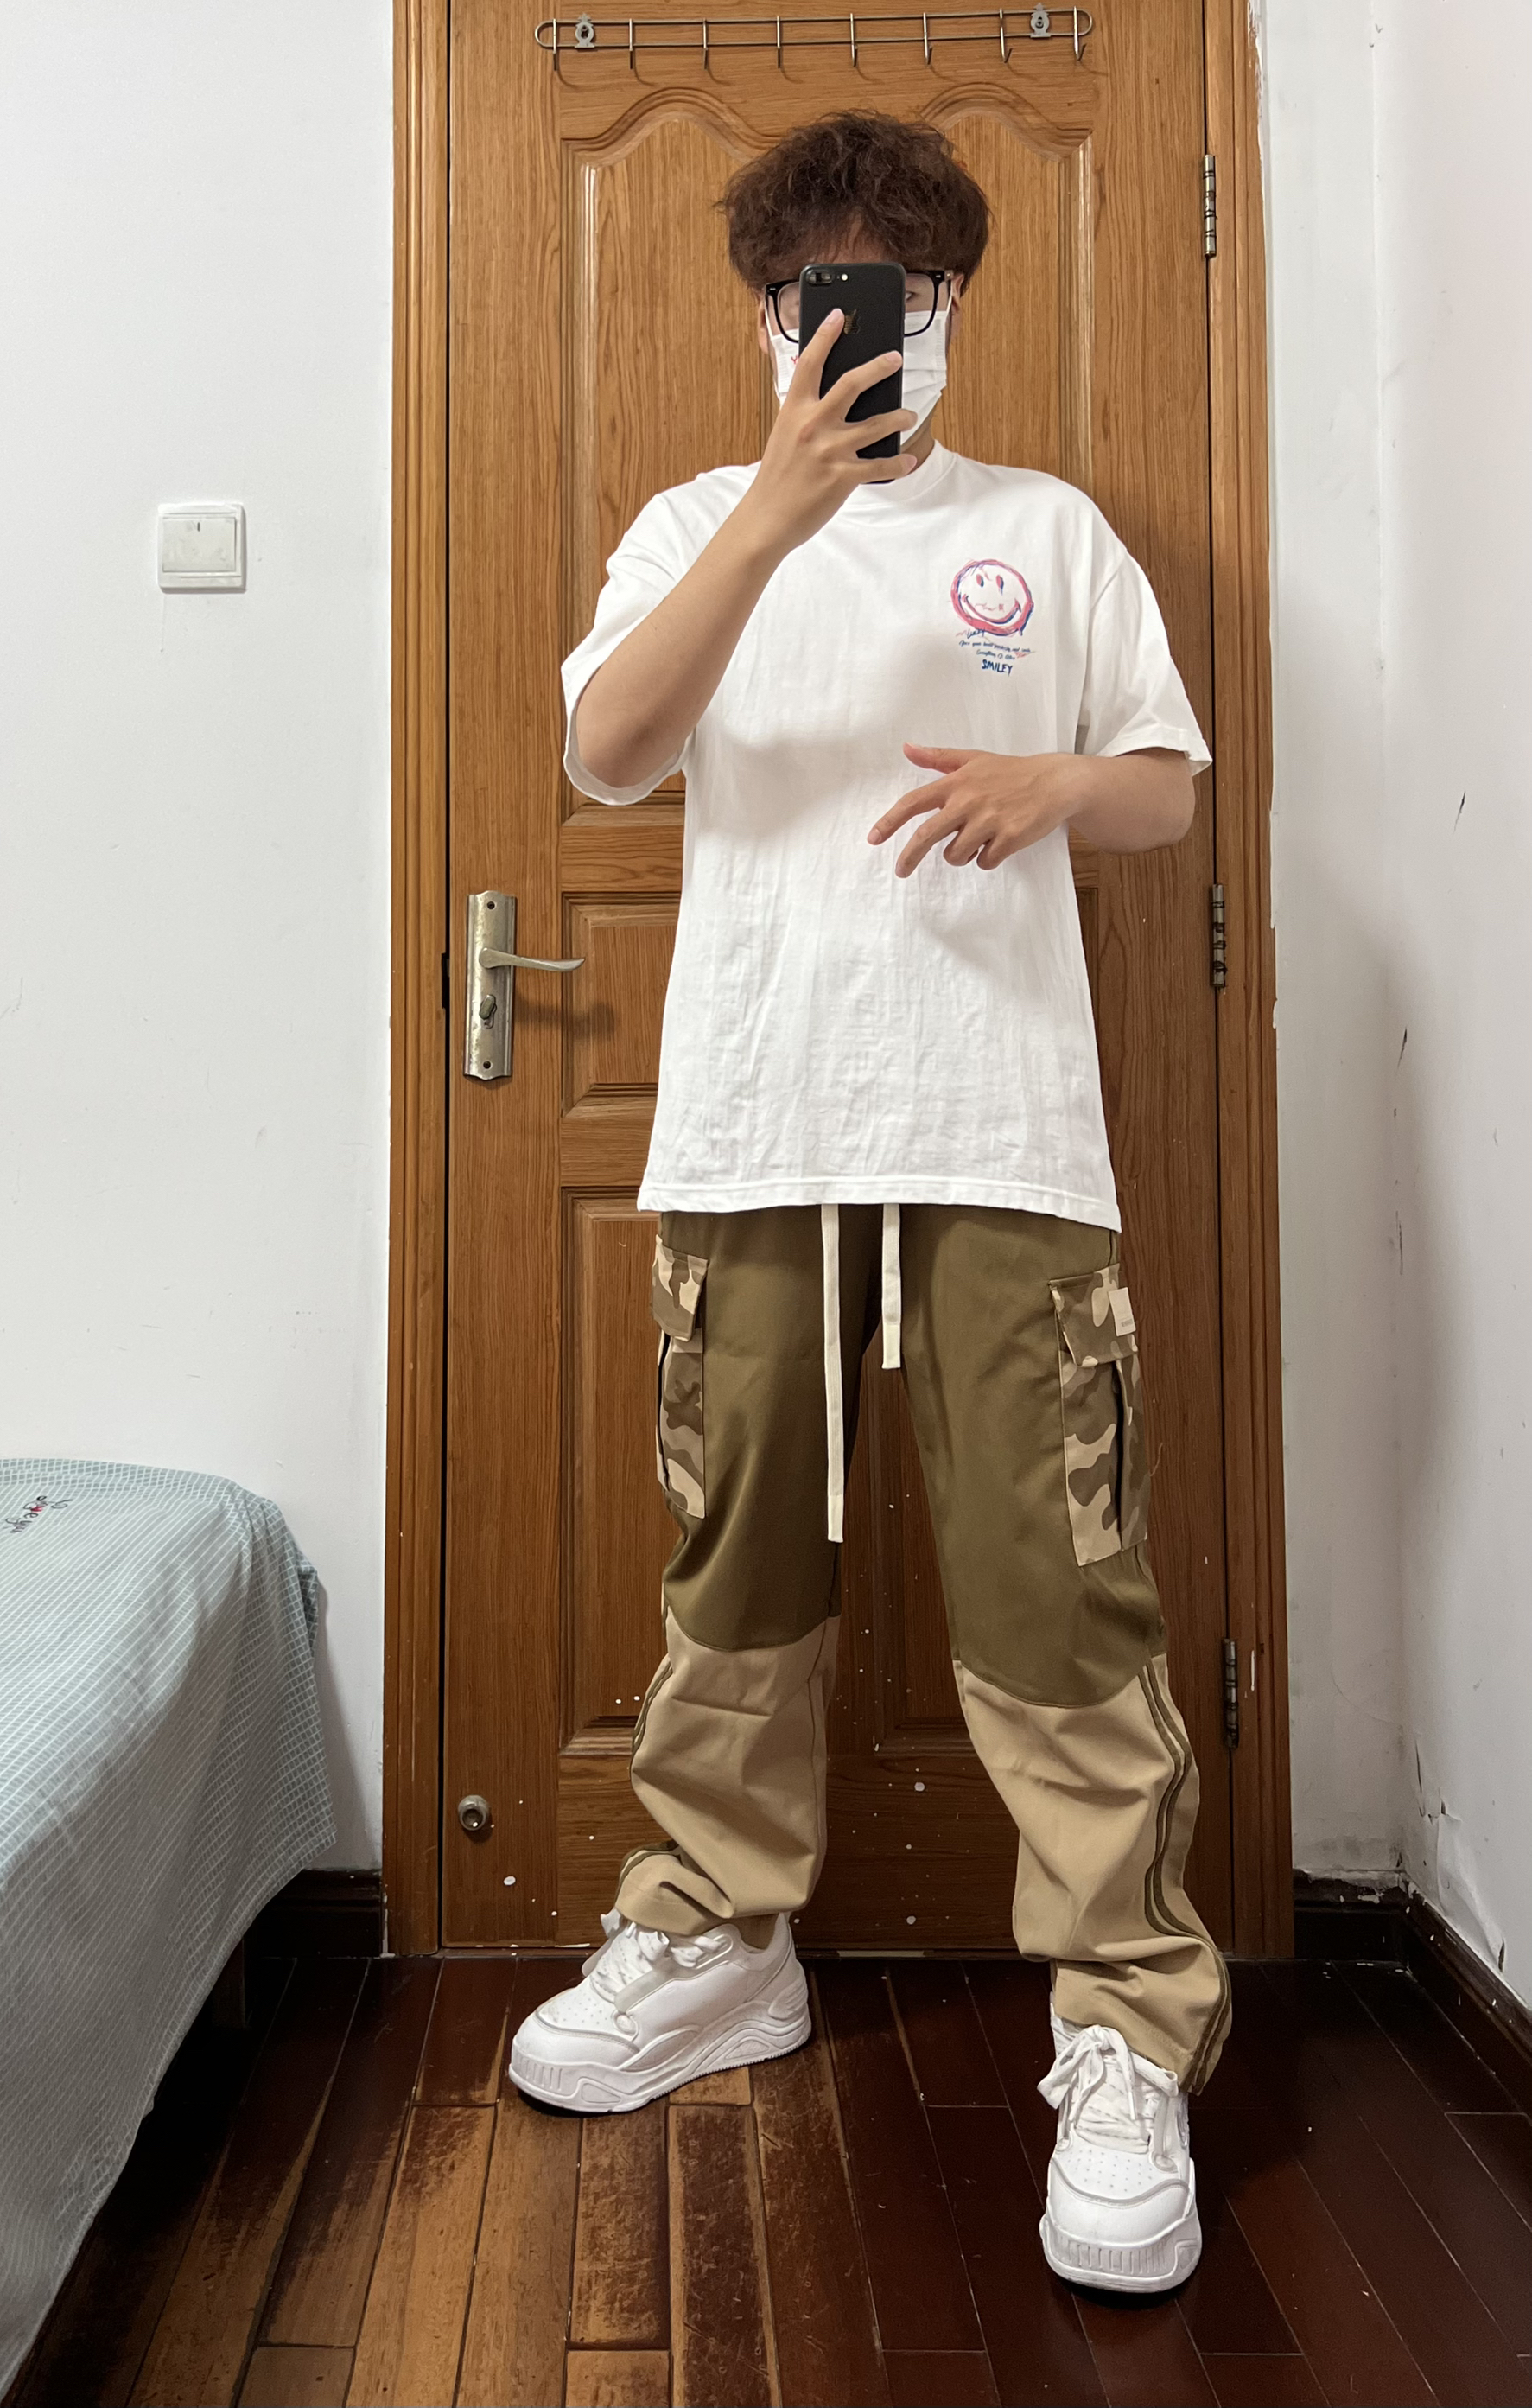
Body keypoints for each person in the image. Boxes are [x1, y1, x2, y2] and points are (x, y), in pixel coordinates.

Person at [510, 110, 1225, 2297]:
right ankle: (718, 1934)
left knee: (1056, 1582)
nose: (857, 325)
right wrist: (775, 512)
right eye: (816, 293)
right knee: (735, 1557)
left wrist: (1052, 783)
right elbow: (606, 751)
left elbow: (1166, 791)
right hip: (755, 1126)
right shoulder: (689, 524)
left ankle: (1124, 2026)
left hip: (1001, 1129)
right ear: (766, 317)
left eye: (898, 294)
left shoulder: (1045, 533)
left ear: (950, 309)